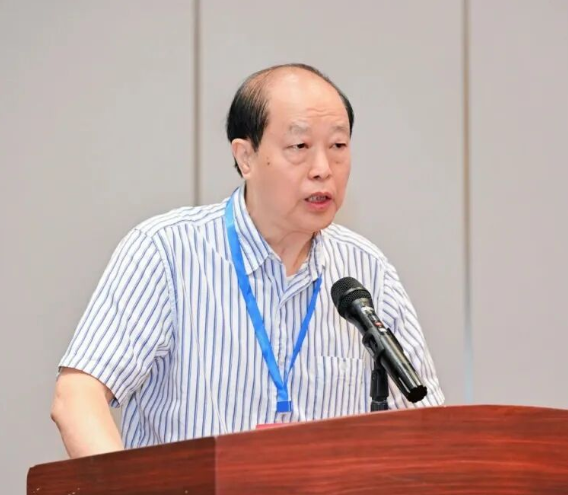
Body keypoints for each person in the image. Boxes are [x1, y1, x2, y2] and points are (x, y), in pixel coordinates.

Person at [50, 63, 444, 458]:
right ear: (246, 157)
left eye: (338, 146)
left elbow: (429, 424)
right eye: (300, 147)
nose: (323, 169)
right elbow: (77, 397)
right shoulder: (167, 251)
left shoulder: (367, 270)